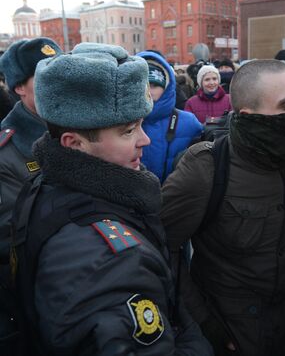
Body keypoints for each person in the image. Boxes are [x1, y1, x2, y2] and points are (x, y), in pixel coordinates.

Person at [11, 42, 213, 355]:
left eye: (141, 126)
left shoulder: (45, 183)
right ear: (74, 143)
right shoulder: (108, 258)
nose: (144, 139)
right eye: (128, 131)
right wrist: (197, 342)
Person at [161, 59, 285, 356]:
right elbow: (163, 249)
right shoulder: (207, 168)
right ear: (250, 116)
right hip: (232, 330)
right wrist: (204, 322)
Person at [0, 37, 62, 251]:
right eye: (46, 76)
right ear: (19, 87)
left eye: (61, 73)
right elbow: (10, 235)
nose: (59, 83)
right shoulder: (8, 151)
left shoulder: (82, 127)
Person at [137, 50, 203, 183]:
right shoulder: (118, 123)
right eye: (142, 86)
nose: (148, 91)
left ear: (166, 87)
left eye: (154, 85)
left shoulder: (189, 123)